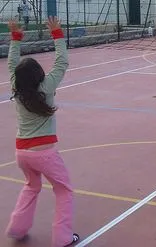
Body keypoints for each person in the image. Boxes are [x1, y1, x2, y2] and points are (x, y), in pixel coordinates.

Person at [5, 17, 80, 247]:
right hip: (44, 153)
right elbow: (61, 63)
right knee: (64, 190)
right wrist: (57, 33)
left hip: (22, 153)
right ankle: (62, 238)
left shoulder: (15, 87)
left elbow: (11, 63)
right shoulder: (46, 87)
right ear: (39, 75)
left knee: (32, 186)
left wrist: (15, 37)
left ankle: (17, 228)